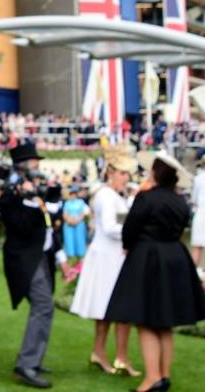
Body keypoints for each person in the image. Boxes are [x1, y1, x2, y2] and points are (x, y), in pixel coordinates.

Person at [106, 151, 205, 392]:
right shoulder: (179, 200)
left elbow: (130, 228)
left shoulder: (146, 198)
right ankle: (163, 375)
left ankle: (152, 378)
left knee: (146, 320)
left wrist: (128, 245)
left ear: (156, 172)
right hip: (175, 256)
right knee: (164, 323)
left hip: (149, 258)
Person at [70, 145, 140, 376]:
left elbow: (117, 223)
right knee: (112, 308)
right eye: (122, 173)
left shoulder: (111, 196)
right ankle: (114, 355)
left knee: (107, 309)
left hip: (111, 255)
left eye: (126, 173)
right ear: (110, 172)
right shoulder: (106, 196)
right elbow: (111, 228)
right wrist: (132, 230)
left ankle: (102, 353)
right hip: (108, 256)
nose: (125, 177)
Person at [0, 142, 57, 388]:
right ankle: (26, 364)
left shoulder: (37, 192)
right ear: (23, 167)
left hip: (41, 257)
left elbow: (50, 222)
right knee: (44, 305)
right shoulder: (10, 197)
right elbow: (20, 228)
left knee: (45, 307)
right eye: (34, 162)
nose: (38, 166)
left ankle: (33, 358)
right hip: (24, 259)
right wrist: (29, 200)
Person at [61, 185, 89, 261]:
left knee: (79, 239)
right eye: (71, 194)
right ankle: (71, 256)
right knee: (70, 240)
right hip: (69, 223)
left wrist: (77, 220)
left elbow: (84, 212)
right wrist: (69, 220)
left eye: (74, 194)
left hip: (79, 222)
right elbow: (65, 213)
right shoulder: (67, 203)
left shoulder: (81, 202)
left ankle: (81, 256)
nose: (72, 195)